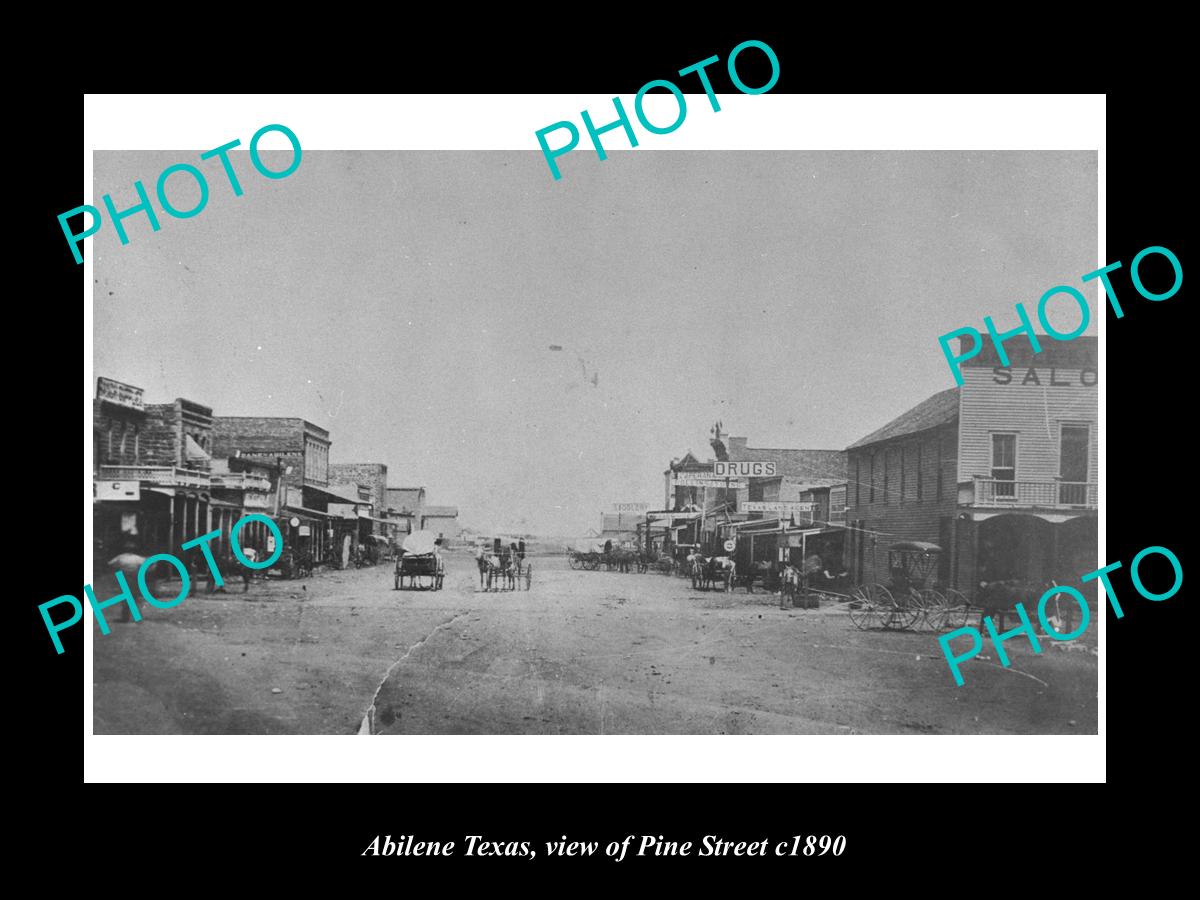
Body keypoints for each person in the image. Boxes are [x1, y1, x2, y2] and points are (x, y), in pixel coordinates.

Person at [106, 543, 148, 623]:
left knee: (125, 598)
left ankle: (125, 618)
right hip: (135, 578)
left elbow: (110, 564)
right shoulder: (137, 558)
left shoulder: (120, 557)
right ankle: (138, 617)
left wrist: (118, 568)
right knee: (135, 598)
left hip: (123, 578)